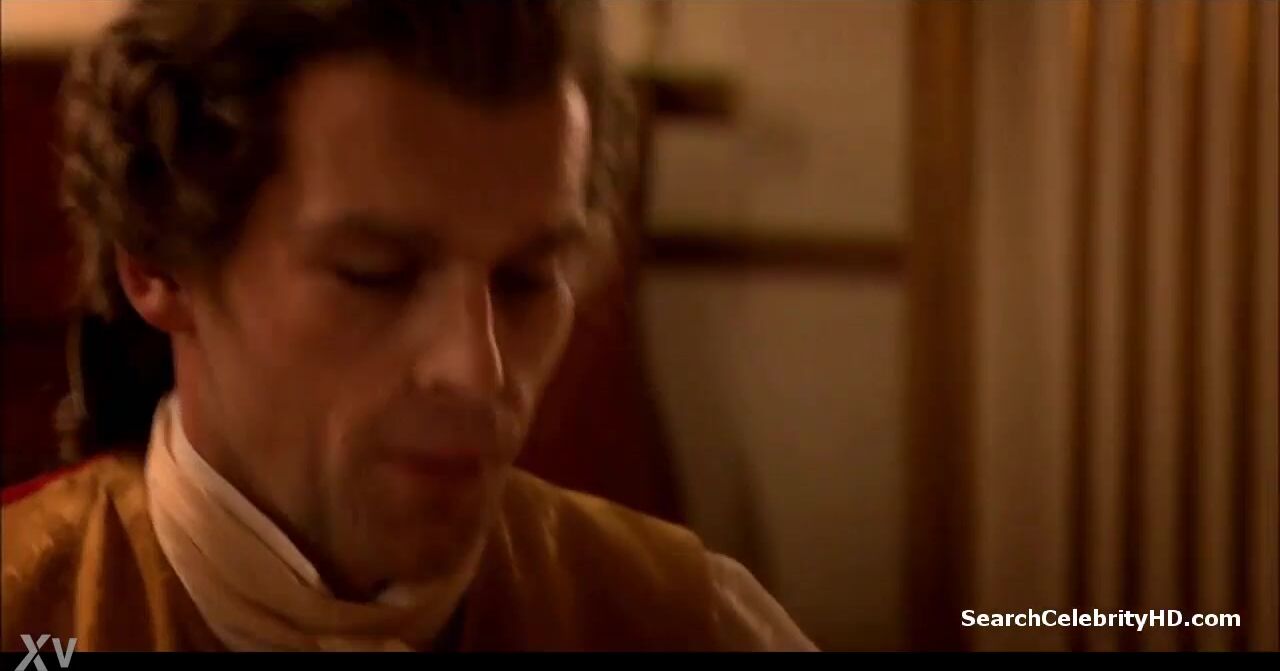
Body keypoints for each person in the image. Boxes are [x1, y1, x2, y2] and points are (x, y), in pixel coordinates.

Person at [0, 0, 816, 652]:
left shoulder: (689, 622)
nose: (476, 370)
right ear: (158, 265)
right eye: (376, 274)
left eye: (527, 279)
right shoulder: (27, 614)